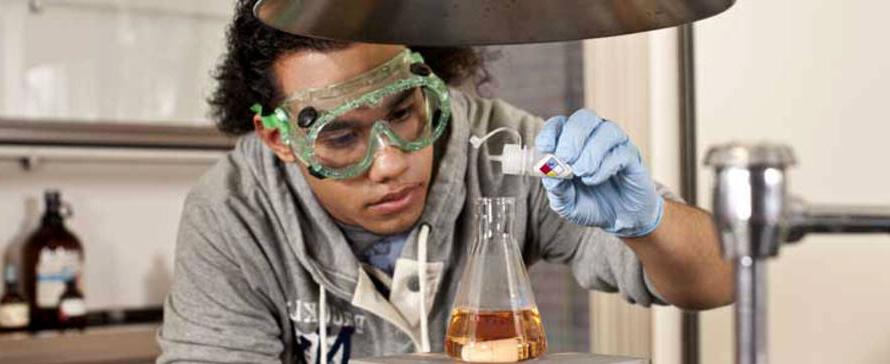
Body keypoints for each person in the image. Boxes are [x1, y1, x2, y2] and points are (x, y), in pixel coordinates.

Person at [157, 1, 733, 363]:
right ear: (279, 138)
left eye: (405, 114)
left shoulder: (499, 143)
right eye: (340, 137)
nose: (388, 164)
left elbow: (717, 282)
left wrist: (648, 224)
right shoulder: (234, 215)